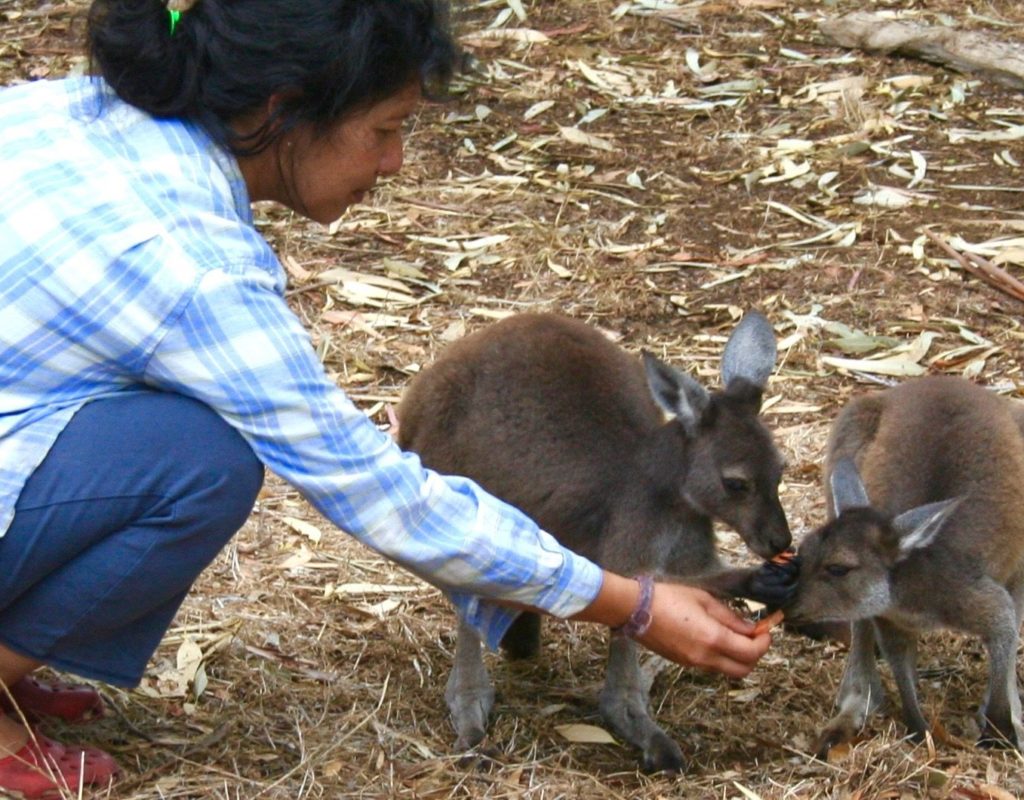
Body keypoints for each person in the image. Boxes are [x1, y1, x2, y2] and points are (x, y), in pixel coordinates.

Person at [0, 0, 778, 794]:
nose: (396, 162)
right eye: (384, 129)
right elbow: (379, 493)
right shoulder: (197, 271)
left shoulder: (68, 107)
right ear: (283, 112)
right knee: (201, 464)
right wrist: (632, 606)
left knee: (172, 436)